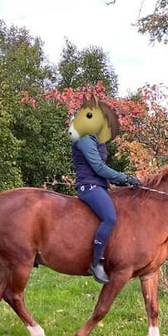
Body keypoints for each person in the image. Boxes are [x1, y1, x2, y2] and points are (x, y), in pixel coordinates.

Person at [68, 96, 140, 284]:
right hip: (88, 186)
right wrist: (124, 178)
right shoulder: (84, 139)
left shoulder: (94, 139)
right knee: (110, 217)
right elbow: (98, 168)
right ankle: (96, 262)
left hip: (98, 186)